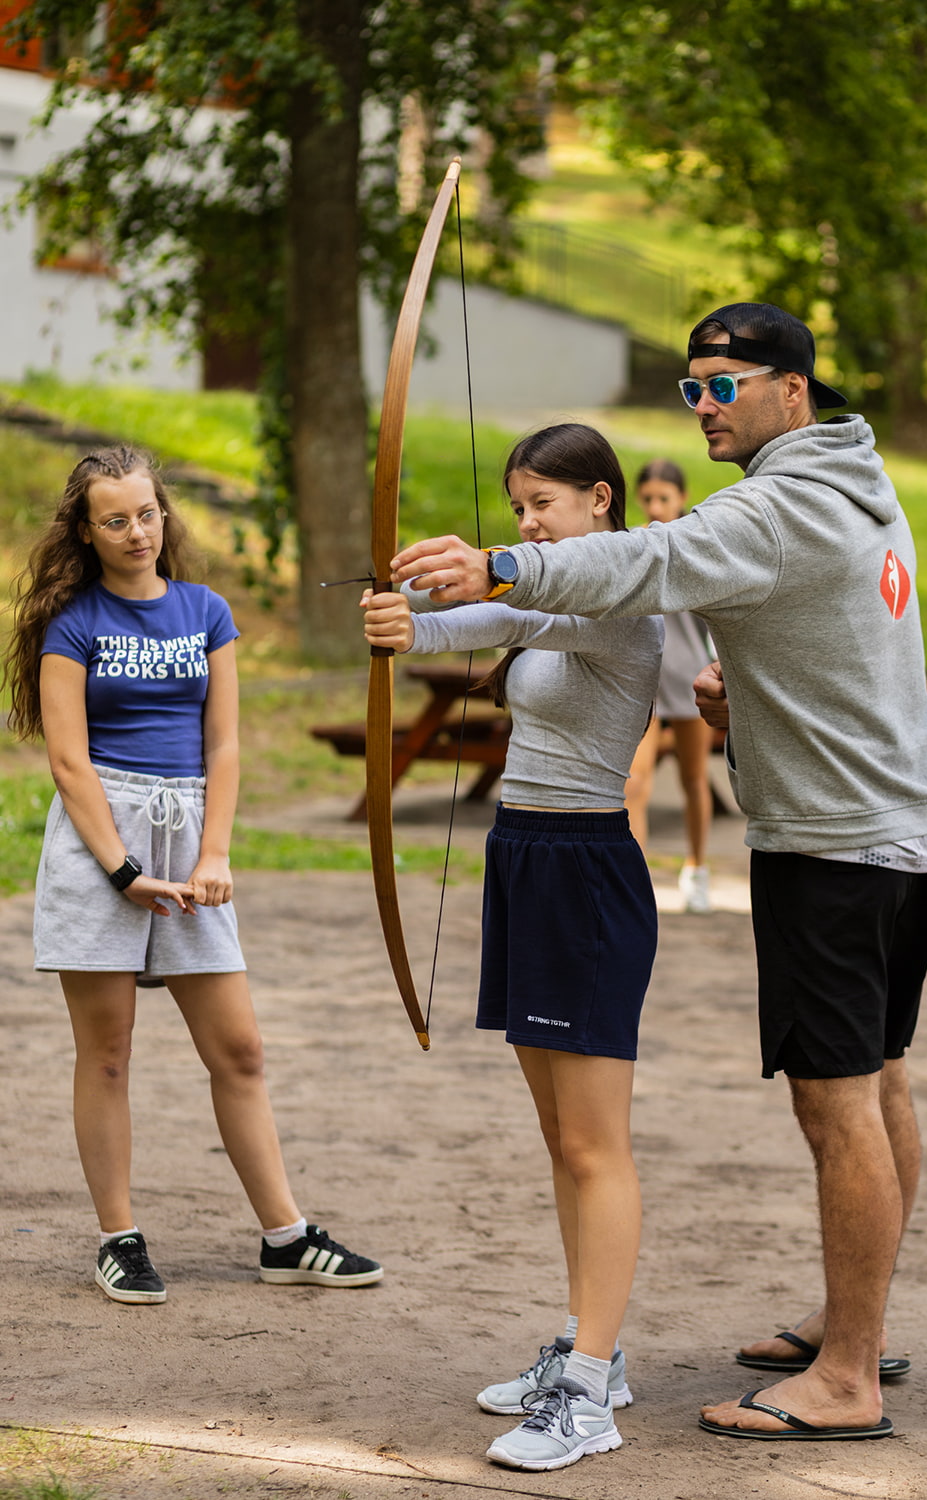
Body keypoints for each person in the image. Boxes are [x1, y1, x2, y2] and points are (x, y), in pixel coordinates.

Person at [387, 303, 927, 1443]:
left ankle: (847, 1375)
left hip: (835, 844)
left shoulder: (780, 502)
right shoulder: (859, 478)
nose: (703, 406)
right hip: (897, 826)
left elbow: (652, 558)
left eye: (725, 385)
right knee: (879, 1078)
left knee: (836, 1098)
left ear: (792, 390)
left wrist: (500, 561)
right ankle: (854, 1319)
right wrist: (753, 703)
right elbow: (844, 633)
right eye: (691, 386)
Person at [2, 446, 382, 1305]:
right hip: (103, 839)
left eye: (147, 514)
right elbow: (68, 761)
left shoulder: (206, 611)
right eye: (115, 520)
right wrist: (122, 869)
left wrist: (214, 853)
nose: (136, 532)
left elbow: (225, 745)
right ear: (86, 531)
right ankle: (119, 1238)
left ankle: (285, 1237)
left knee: (240, 1050)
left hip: (189, 834)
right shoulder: (73, 622)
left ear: (163, 515)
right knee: (107, 1055)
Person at [361, 422, 663, 1472]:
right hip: (527, 859)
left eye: (546, 504)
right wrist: (405, 623)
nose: (529, 522)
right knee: (558, 1134)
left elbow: (521, 597)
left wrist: (461, 591)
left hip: (585, 872)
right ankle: (588, 1351)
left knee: (593, 1144)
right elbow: (491, 617)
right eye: (519, 506)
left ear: (600, 501)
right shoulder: (551, 596)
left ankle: (590, 1391)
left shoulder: (622, 596)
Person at [624, 459, 715, 910]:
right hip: (645, 680)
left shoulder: (698, 545)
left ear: (682, 497)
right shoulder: (632, 544)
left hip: (692, 679)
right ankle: (636, 881)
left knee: (694, 779)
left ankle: (697, 868)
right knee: (634, 784)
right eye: (648, 498)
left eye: (664, 498)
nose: (656, 506)